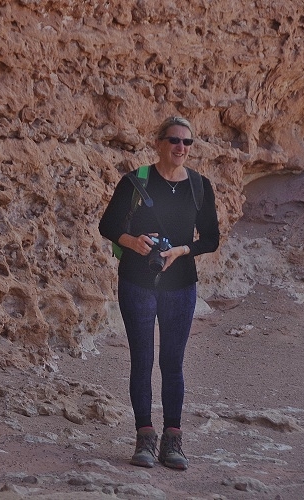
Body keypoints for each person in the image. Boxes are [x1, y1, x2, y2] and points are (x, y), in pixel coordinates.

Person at [98, 116, 220, 470]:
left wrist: (181, 251)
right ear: (159, 143)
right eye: (174, 140)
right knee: (142, 359)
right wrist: (133, 242)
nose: (181, 148)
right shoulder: (136, 181)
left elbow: (210, 238)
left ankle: (173, 439)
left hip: (180, 284)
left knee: (172, 363)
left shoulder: (199, 186)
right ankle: (145, 437)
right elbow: (108, 225)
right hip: (137, 280)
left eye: (187, 142)